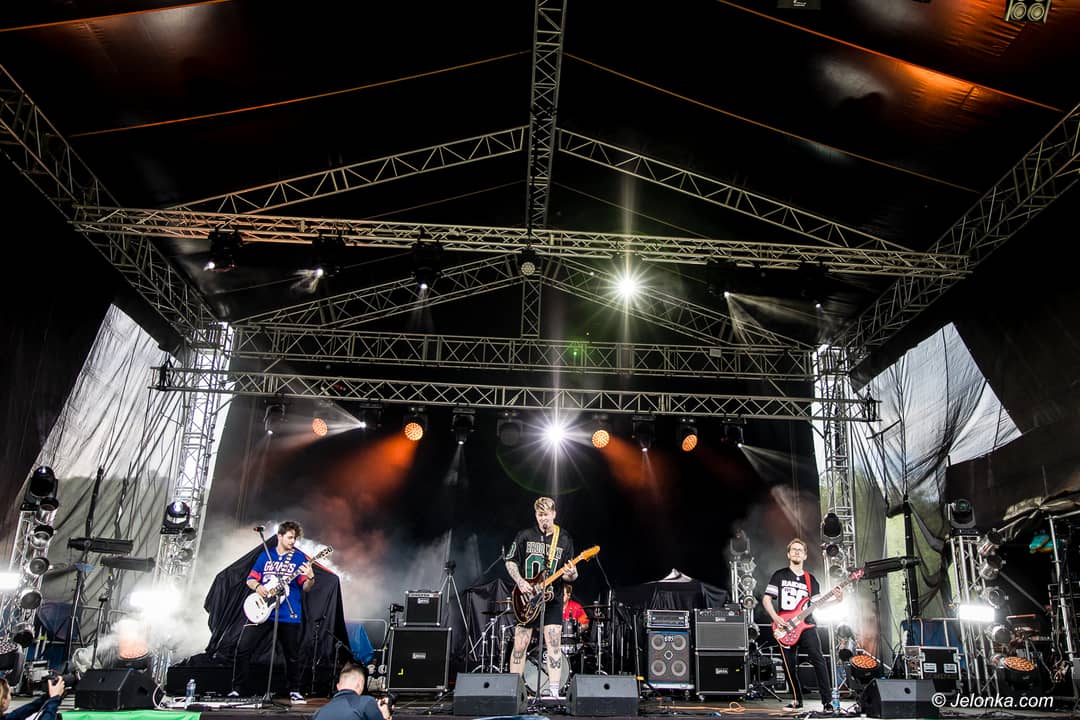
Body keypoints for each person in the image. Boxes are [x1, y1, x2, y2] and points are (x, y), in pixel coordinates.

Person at [230, 520, 315, 703]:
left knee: (292, 655)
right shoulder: (265, 556)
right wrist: (258, 587)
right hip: (263, 610)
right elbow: (250, 579)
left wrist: (310, 577)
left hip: (288, 614)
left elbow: (306, 587)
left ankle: (294, 690)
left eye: (295, 538)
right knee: (243, 648)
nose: (293, 541)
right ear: (279, 536)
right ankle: (237, 689)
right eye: (290, 537)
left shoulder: (299, 558)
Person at [505, 496, 577, 698]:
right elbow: (510, 561)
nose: (543, 518)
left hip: (552, 598)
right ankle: (514, 691)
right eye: (539, 514)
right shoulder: (525, 536)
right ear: (535, 515)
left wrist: (572, 574)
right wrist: (520, 581)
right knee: (520, 644)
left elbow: (570, 575)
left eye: (546, 514)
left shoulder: (564, 538)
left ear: (554, 514)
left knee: (554, 645)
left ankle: (553, 693)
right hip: (527, 599)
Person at [762, 537, 840, 713]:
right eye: (794, 549)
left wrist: (837, 600)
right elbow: (766, 599)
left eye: (800, 550)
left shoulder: (810, 579)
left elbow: (819, 604)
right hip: (785, 626)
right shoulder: (779, 575)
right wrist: (775, 617)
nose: (797, 552)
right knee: (789, 665)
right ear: (788, 554)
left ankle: (827, 702)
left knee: (818, 660)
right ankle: (797, 700)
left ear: (805, 555)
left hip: (807, 625)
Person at [312, 664, 391, 720]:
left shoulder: (319, 712)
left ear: (338, 686)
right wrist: (385, 716)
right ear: (359, 685)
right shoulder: (366, 702)